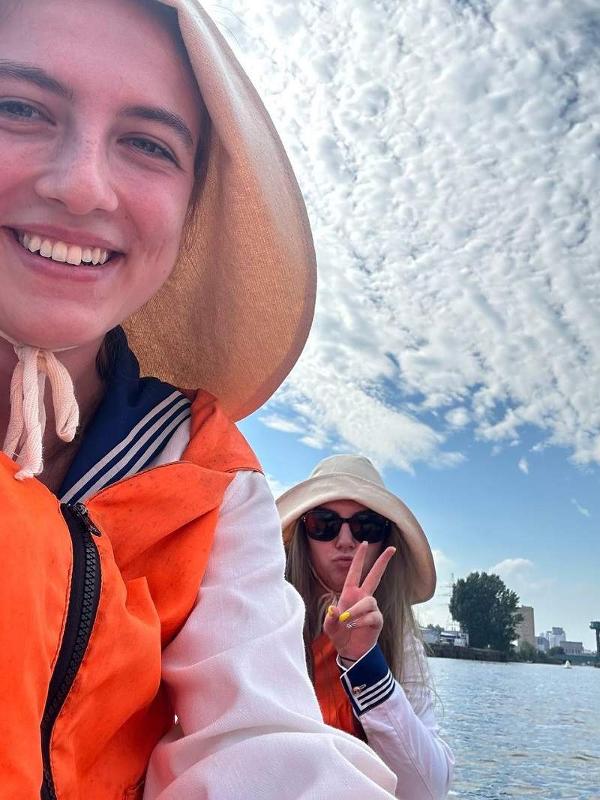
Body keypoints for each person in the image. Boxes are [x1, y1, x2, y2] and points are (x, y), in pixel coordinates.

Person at [0, 1, 401, 797]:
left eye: (149, 144)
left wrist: (364, 666)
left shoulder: (206, 474)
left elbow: (267, 748)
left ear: (190, 210)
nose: (81, 186)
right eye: (18, 107)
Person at [278, 454, 455, 800]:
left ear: (385, 540)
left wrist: (364, 662)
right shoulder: (268, 614)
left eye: (366, 526)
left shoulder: (399, 636)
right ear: (303, 535)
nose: (345, 540)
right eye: (323, 523)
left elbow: (427, 790)